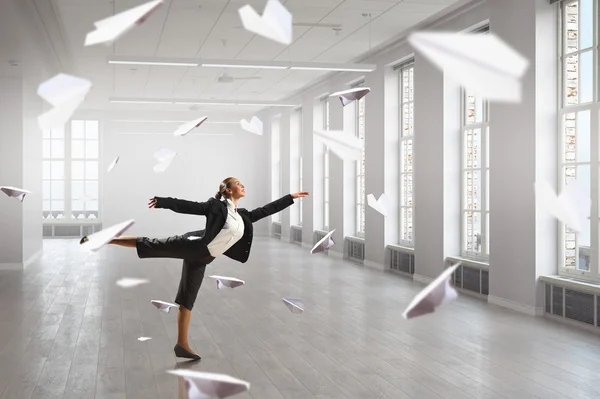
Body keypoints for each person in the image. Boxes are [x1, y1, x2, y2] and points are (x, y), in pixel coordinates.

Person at [80, 177, 309, 360]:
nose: (243, 186)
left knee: (187, 299)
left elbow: (266, 210)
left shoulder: (243, 216)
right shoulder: (216, 206)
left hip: (204, 258)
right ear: (228, 190)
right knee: (153, 244)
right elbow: (189, 206)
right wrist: (163, 201)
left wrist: (289, 197)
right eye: (238, 183)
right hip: (193, 246)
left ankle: (182, 344)